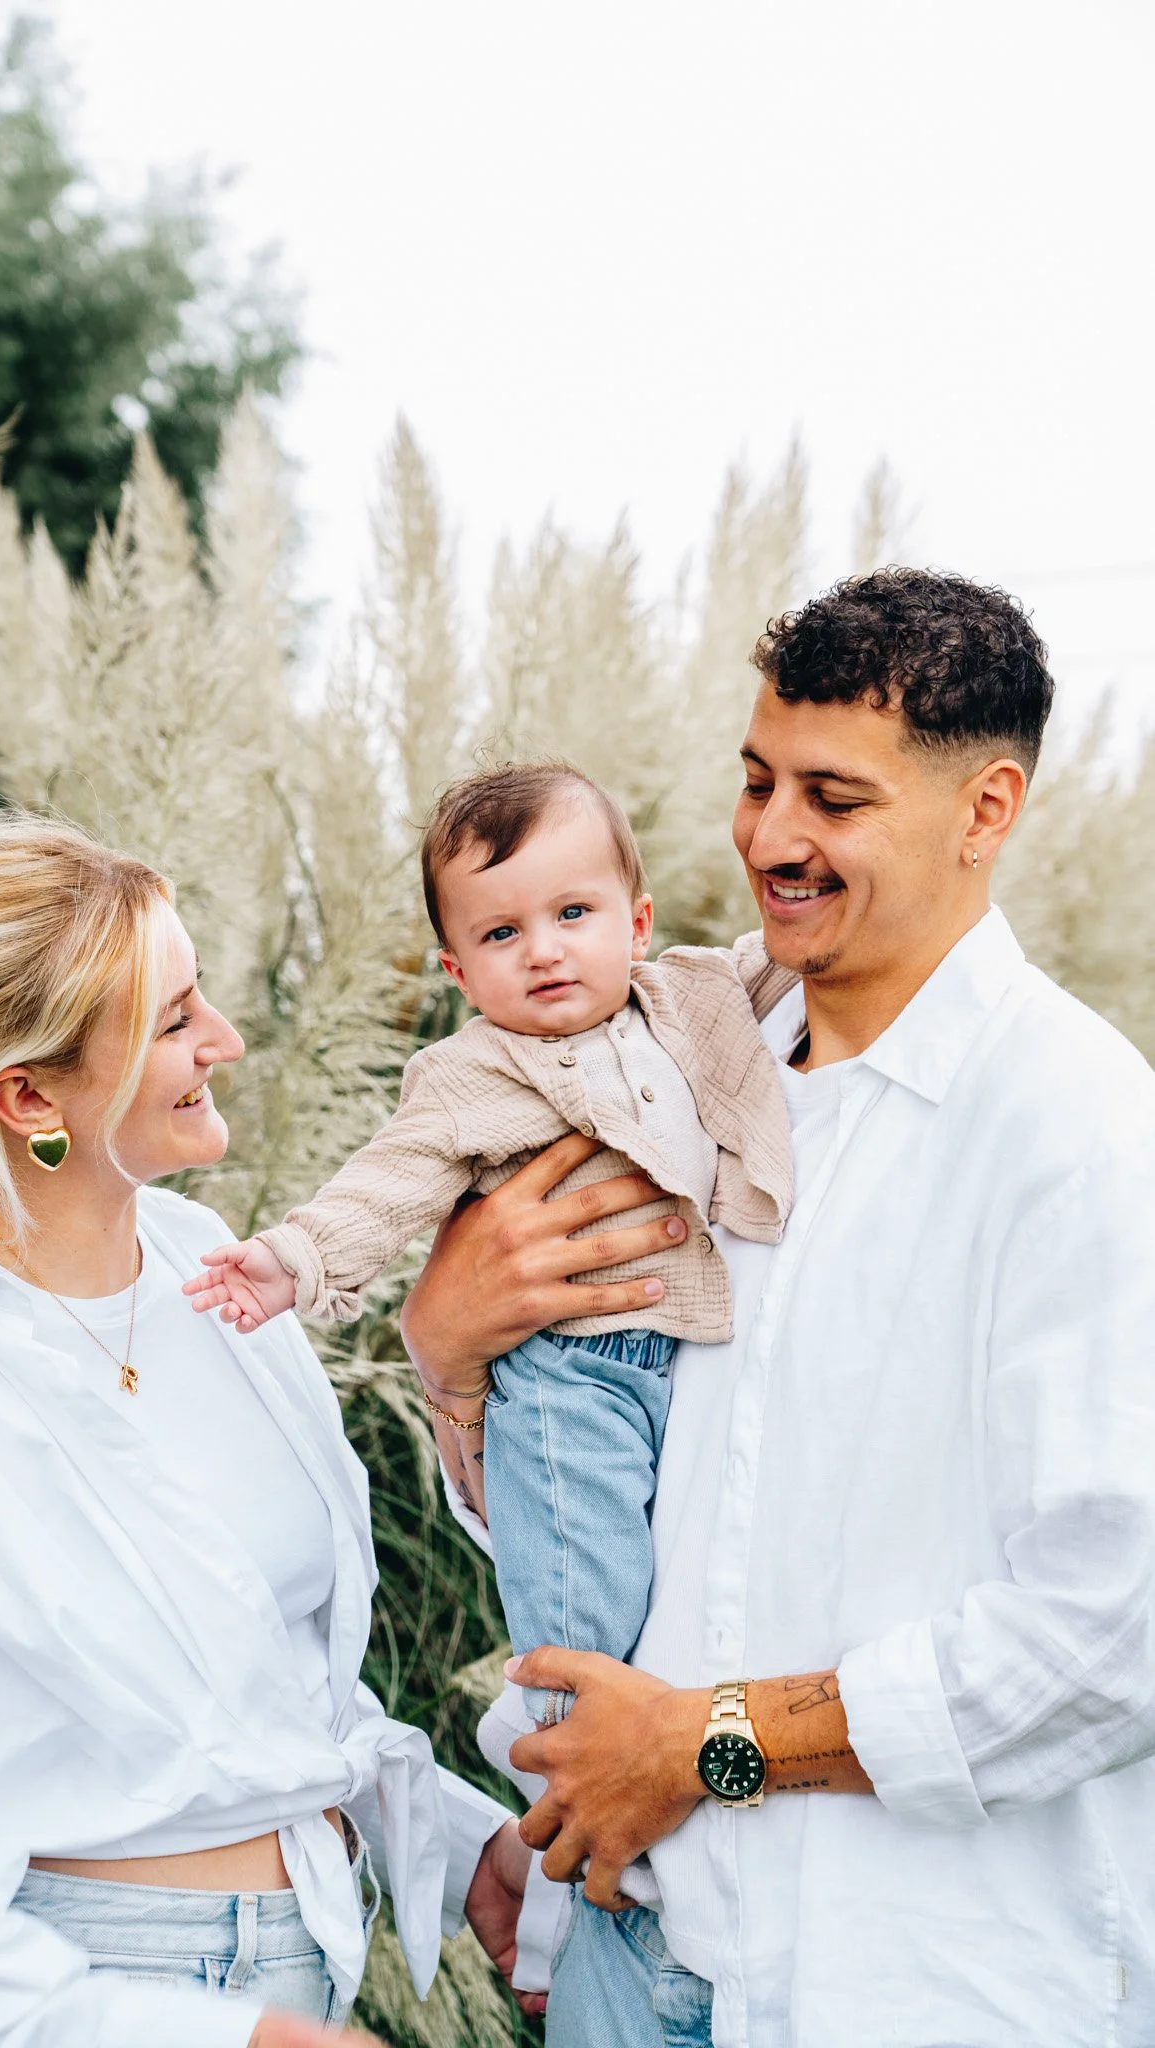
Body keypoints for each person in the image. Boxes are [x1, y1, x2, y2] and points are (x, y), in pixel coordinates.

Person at [400, 569, 1155, 2047]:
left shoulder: (1077, 1129)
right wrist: (449, 1365)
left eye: (833, 797)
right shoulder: (669, 1075)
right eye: (755, 782)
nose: (770, 839)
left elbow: (1107, 1637)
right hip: (640, 1946)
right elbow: (603, 1501)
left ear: (984, 810)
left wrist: (705, 1745)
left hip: (915, 1986)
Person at [0, 819, 530, 2048]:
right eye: (177, 1018)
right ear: (28, 1097)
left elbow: (253, 1702)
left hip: (308, 1959)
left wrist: (461, 1847)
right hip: (82, 1995)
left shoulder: (214, 1273)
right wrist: (217, 2039)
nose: (226, 1043)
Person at [183, 762, 793, 1727]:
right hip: (564, 1381)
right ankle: (589, 1825)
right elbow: (389, 1181)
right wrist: (292, 1260)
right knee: (583, 1625)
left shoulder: (689, 999)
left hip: (680, 1362)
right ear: (458, 972)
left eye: (573, 915)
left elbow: (791, 964)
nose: (543, 952)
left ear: (636, 924)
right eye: (502, 934)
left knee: (677, 1608)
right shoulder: (471, 1073)